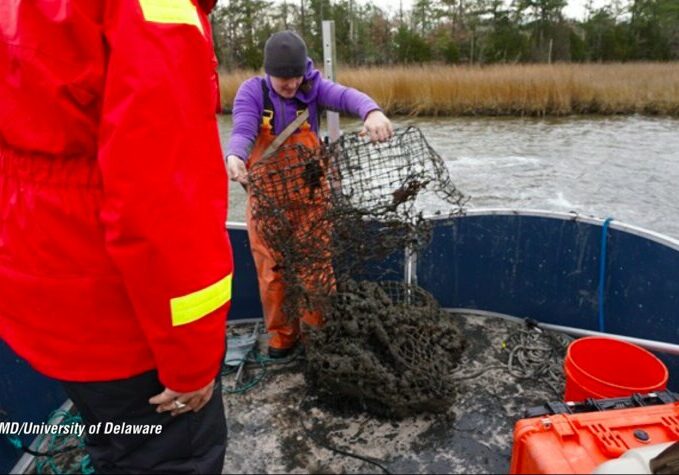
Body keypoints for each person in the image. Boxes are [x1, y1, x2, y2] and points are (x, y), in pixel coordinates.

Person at [0, 0, 232, 473]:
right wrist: (192, 364)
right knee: (171, 456)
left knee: (112, 444)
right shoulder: (157, 10)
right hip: (122, 328)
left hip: (46, 305)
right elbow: (164, 200)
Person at [226, 30, 393, 359]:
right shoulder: (252, 91)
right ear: (267, 71)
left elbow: (347, 97)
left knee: (315, 271)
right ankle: (282, 338)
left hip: (311, 199)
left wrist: (372, 112)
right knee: (272, 272)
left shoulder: (313, 86)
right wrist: (234, 155)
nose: (289, 84)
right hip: (267, 202)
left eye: (294, 77)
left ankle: (317, 337)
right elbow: (244, 128)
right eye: (281, 78)